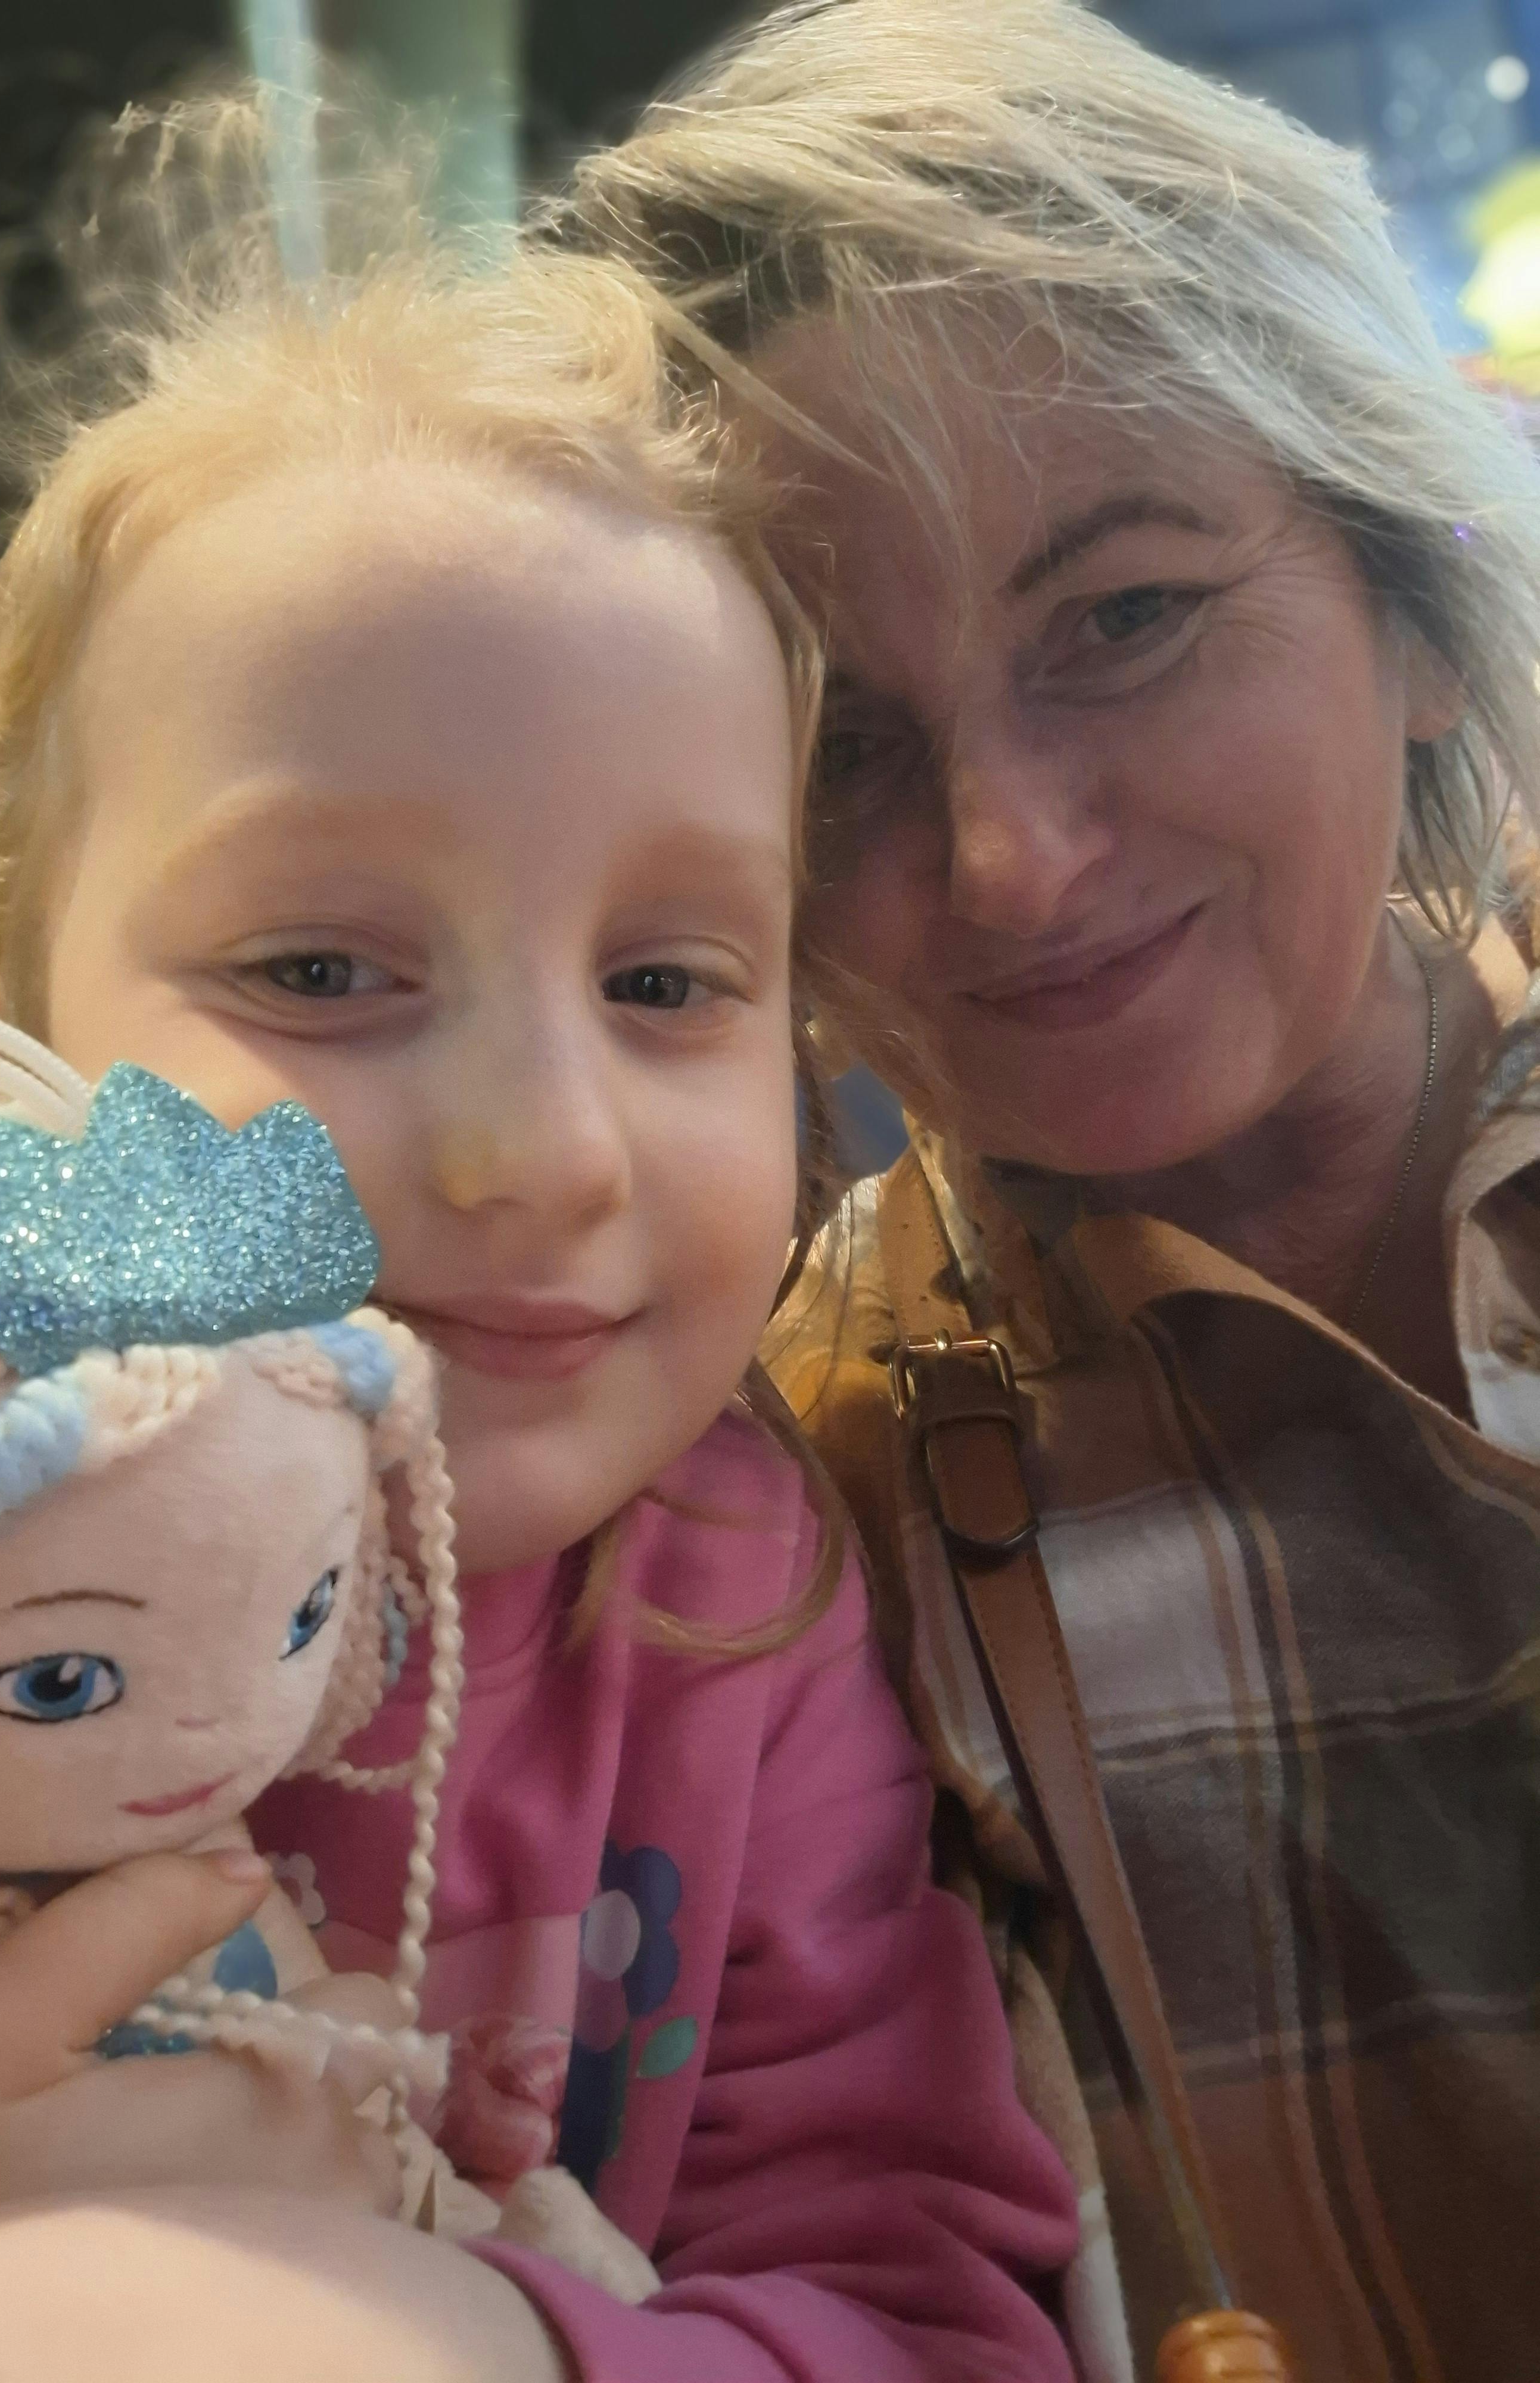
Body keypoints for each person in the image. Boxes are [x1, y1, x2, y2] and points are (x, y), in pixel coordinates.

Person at [0, 86, 1078, 2383]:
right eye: (320, 969)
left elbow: (926, 2312)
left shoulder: (743, 1616)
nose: (540, 1152)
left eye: (665, 982)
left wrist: (439, 2335)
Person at [556, 5, 1540, 2378]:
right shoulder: (780, 1534)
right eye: (842, 745)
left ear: (1414, 611)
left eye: (1126, 617)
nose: (1010, 861)